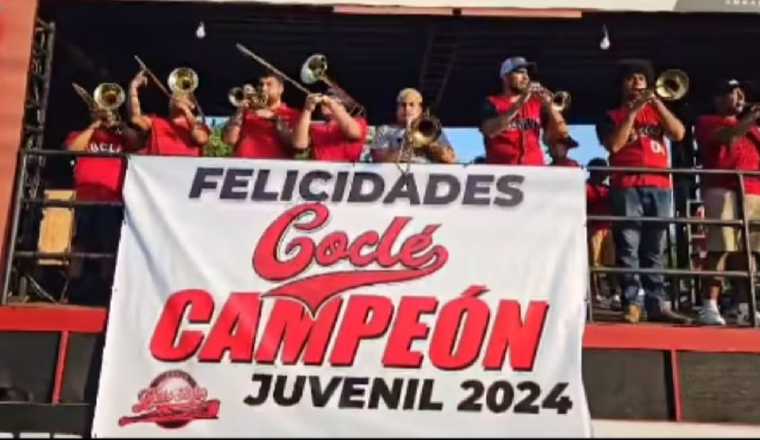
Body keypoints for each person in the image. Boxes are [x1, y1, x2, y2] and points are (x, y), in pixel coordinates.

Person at [595, 59, 689, 324]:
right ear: (622, 85)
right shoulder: (611, 115)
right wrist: (633, 113)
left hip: (659, 184)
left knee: (655, 248)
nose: (636, 83)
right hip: (626, 185)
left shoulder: (658, 112)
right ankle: (632, 302)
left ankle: (657, 302)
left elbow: (679, 133)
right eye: (630, 79)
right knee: (628, 246)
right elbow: (614, 145)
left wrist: (657, 103)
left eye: (641, 79)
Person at [695, 78, 760, 326]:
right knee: (719, 247)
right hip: (722, 189)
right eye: (733, 93)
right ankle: (709, 305)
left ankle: (744, 306)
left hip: (753, 190)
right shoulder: (707, 122)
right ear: (718, 100)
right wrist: (749, 119)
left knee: (749, 252)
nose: (739, 97)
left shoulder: (753, 130)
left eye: (740, 93)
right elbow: (729, 139)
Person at [65, 102, 142, 305]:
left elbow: (137, 143)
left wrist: (118, 124)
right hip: (85, 197)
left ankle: (105, 288)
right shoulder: (81, 133)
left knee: (109, 244)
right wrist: (95, 125)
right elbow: (73, 148)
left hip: (113, 198)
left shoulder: (120, 137)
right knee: (80, 243)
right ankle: (74, 288)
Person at [479, 56, 569, 166]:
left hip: (534, 169)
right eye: (520, 73)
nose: (526, 77)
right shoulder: (492, 102)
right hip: (502, 171)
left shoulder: (536, 104)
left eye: (527, 74)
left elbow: (561, 133)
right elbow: (490, 131)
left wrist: (550, 108)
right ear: (505, 77)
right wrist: (521, 101)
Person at [128, 70, 210, 156]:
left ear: (191, 104)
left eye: (182, 95)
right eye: (174, 95)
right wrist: (133, 88)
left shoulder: (197, 125)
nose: (176, 98)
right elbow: (135, 118)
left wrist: (186, 110)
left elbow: (200, 138)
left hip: (186, 168)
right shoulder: (155, 121)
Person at [223, 72, 300, 159]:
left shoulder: (292, 114)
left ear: (281, 89)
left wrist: (274, 118)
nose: (263, 88)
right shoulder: (246, 112)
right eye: (261, 84)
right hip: (243, 167)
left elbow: (295, 146)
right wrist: (240, 110)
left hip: (276, 168)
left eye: (269, 84)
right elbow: (229, 140)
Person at [370, 88, 456, 164]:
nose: (407, 108)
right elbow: (378, 158)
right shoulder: (385, 130)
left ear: (420, 109)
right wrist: (407, 148)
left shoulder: (431, 129)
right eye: (403, 105)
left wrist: (430, 145)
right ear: (397, 109)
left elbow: (451, 159)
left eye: (412, 104)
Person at [292, 91, 368, 162]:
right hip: (320, 172)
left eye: (335, 100)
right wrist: (307, 109)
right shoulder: (316, 126)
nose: (325, 104)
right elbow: (299, 145)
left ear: (344, 106)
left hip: (347, 173)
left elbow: (353, 133)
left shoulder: (359, 122)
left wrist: (330, 103)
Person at [586, 157, 621, 310]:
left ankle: (614, 293)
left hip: (609, 229)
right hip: (594, 229)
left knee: (611, 263)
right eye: (602, 169)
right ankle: (595, 294)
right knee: (594, 263)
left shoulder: (608, 189)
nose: (605, 173)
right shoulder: (586, 187)